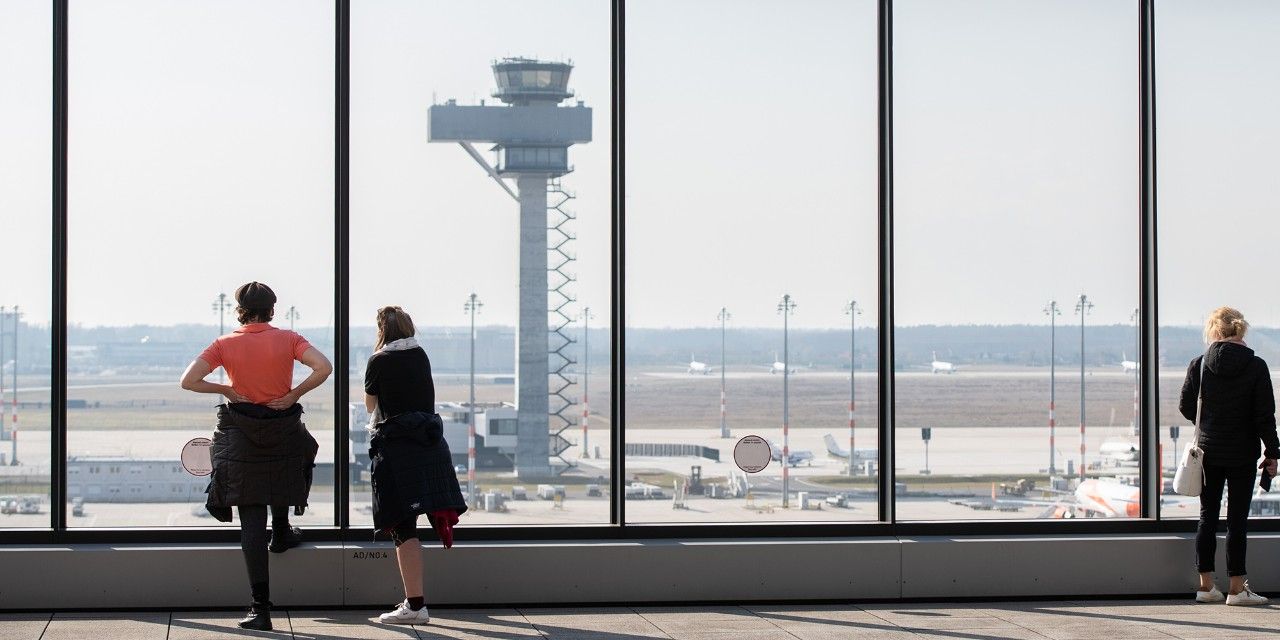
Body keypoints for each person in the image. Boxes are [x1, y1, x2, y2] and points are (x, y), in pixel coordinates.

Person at [179, 282, 332, 630]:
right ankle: (281, 530)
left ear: (240, 310)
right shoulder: (289, 338)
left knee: (250, 522)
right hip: (281, 425)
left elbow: (188, 381)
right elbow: (323, 367)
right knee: (286, 465)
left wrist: (227, 389)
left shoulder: (224, 344)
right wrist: (293, 395)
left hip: (242, 431)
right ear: (272, 310)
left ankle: (260, 609)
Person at [364, 306, 467, 625]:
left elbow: (372, 405)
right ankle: (414, 602)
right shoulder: (421, 354)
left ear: (381, 330)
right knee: (414, 521)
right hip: (430, 444)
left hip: (397, 450)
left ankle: (415, 605)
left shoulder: (378, 360)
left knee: (403, 527)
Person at [1179, 306, 1279, 606]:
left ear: (1214, 331)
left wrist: (1209, 420)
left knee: (1207, 517)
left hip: (1208, 453)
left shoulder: (1199, 365)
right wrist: (1272, 452)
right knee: (1237, 521)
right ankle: (1237, 589)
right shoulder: (1256, 366)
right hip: (1243, 454)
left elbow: (1186, 406)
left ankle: (1206, 586)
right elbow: (1265, 416)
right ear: (1241, 330)